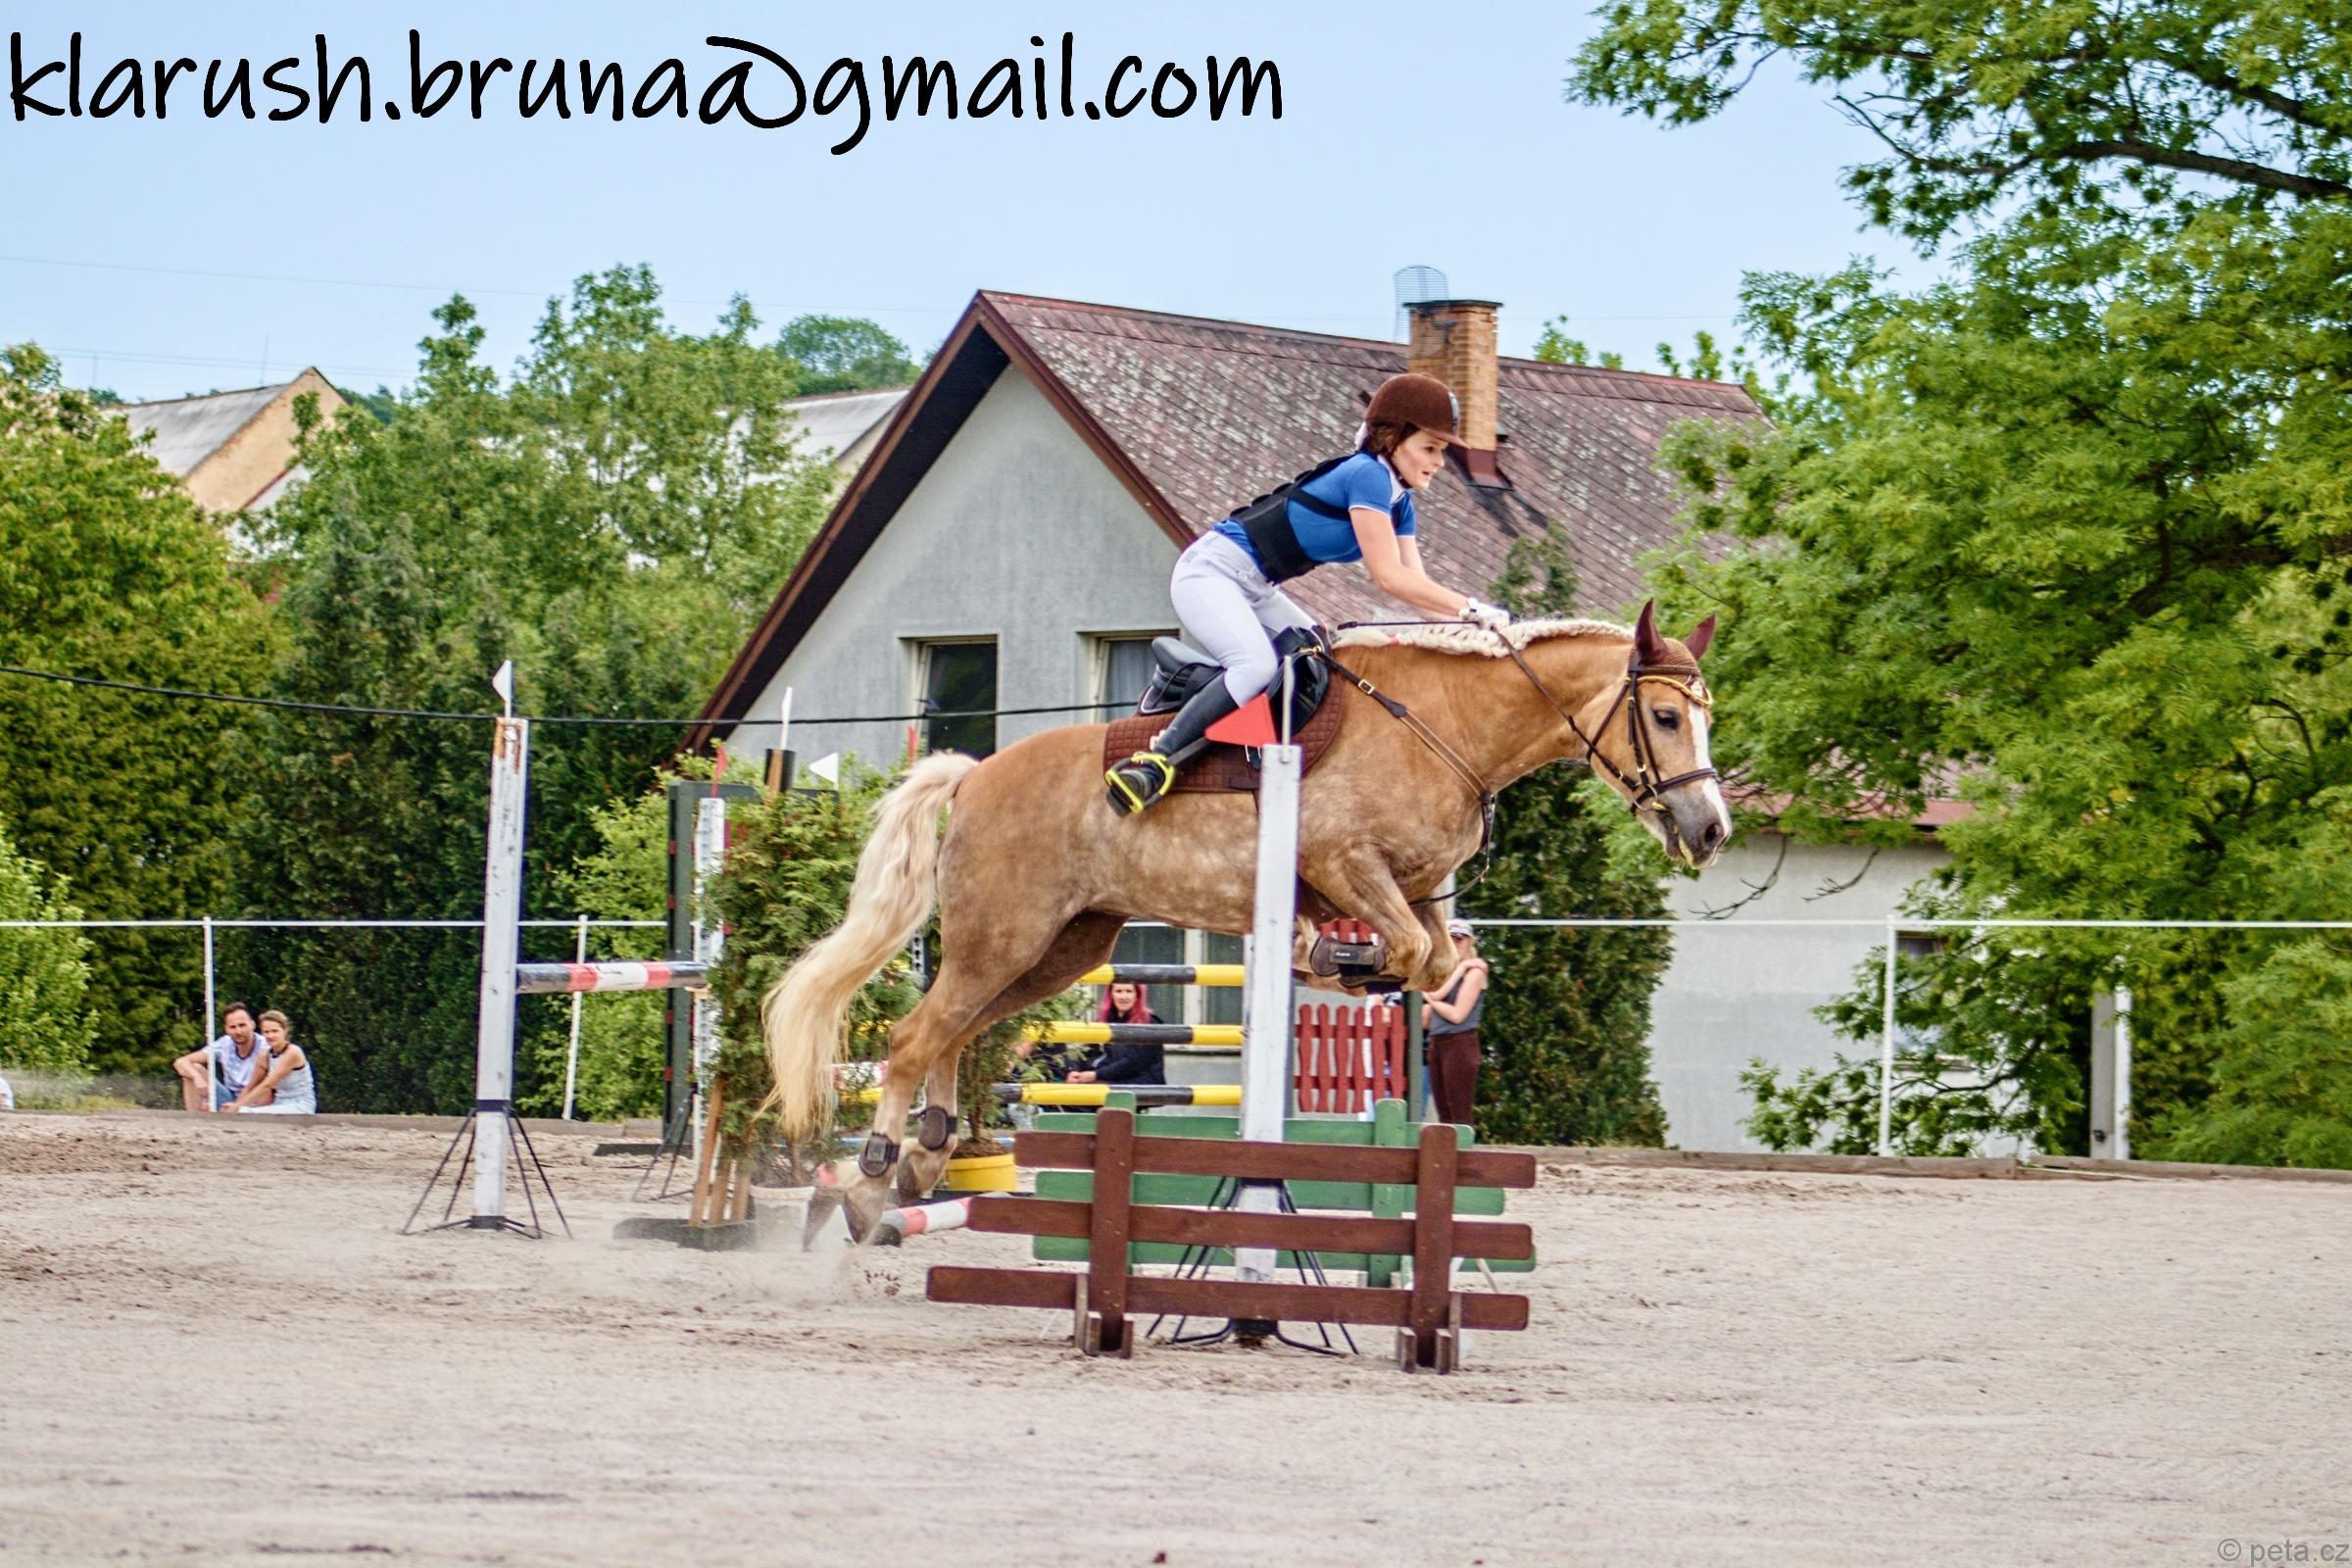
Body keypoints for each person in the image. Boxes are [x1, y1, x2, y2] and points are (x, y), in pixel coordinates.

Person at [1104, 372, 1515, 813]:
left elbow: (1420, 589)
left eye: (1442, 451)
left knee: (1326, 659)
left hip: (1257, 587)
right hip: (1210, 574)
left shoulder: (1401, 503)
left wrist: (1477, 634)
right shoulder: (1367, 475)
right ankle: (1155, 762)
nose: (1439, 462)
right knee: (1257, 665)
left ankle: (1261, 749)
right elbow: (1389, 578)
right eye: (1430, 448)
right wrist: (1472, 608)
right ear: (1392, 440)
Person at [1422, 920, 1489, 1126]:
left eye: (1461, 939)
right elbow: (1430, 1001)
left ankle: (1464, 1147)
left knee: (1459, 1113)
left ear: (1470, 942)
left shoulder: (1475, 972)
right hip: (1436, 1042)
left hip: (1460, 1043)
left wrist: (1433, 1002)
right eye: (1452, 939)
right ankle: (1447, 1148)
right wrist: (1460, 968)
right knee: (1444, 1113)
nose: (1457, 943)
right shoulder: (1444, 971)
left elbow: (1457, 1015)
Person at [1065, 981, 1167, 1087]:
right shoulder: (1103, 1021)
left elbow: (1133, 1064)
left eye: (1129, 991)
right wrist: (1074, 1071)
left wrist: (1095, 1075)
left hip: (1140, 1084)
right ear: (1111, 994)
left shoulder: (1149, 1023)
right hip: (1108, 1080)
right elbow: (1084, 1053)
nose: (1123, 997)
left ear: (1137, 995)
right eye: (1118, 991)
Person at [172, 1003, 268, 1112]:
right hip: (228, 1098)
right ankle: (194, 1118)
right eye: (233, 1027)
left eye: (242, 1025)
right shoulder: (224, 1044)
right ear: (226, 1029)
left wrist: (239, 1105)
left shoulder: (264, 1047)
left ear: (252, 1025)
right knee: (194, 1069)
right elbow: (180, 1062)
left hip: (254, 1099)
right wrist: (197, 1077)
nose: (238, 1031)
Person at [222, 1009, 317, 1115]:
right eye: (266, 1032)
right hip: (278, 1103)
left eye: (275, 1031)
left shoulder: (293, 1052)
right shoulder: (265, 1055)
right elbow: (251, 1086)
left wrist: (238, 1107)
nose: (270, 1036)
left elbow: (267, 1085)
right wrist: (235, 1105)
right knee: (239, 1111)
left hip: (300, 1104)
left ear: (285, 1030)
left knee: (246, 1112)